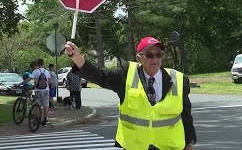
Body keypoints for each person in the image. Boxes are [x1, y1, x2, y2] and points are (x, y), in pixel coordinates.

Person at [65, 36, 197, 150]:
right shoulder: (127, 74)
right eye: (150, 55)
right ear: (139, 58)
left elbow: (186, 116)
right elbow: (101, 76)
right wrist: (77, 58)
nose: (155, 59)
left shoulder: (178, 80)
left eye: (159, 55)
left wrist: (189, 143)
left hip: (169, 147)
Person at [16, 58, 51, 127]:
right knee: (46, 105)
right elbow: (49, 82)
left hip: (38, 90)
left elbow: (29, 79)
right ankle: (45, 120)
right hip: (46, 90)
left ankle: (37, 120)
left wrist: (20, 84)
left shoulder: (35, 71)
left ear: (37, 64)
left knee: (37, 105)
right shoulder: (47, 71)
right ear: (43, 64)